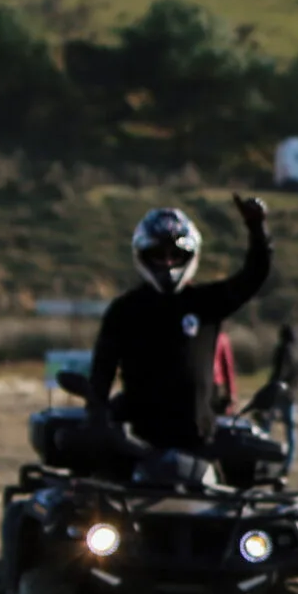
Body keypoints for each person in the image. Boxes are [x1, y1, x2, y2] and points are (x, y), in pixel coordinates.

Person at [86, 197, 273, 468]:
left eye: (175, 255)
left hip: (201, 449)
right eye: (158, 256)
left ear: (190, 256)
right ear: (142, 256)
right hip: (137, 448)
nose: (167, 263)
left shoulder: (207, 302)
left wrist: (257, 228)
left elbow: (254, 275)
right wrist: (96, 416)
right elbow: (101, 372)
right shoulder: (124, 310)